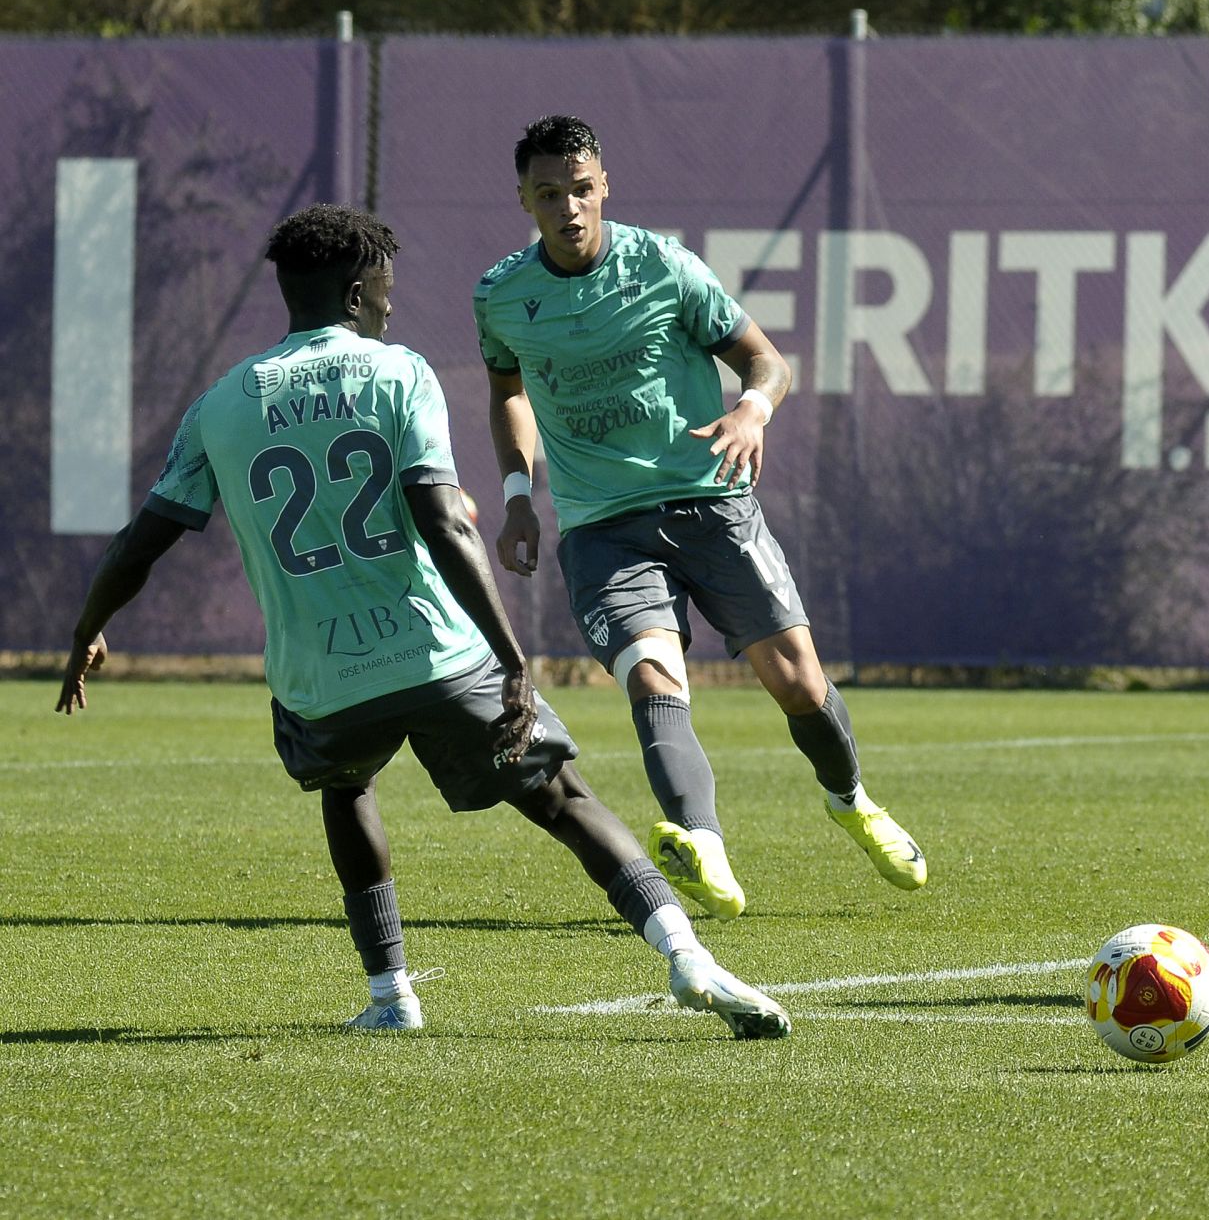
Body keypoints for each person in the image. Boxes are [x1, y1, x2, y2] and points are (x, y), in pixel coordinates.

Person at [55, 203, 789, 1039]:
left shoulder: (219, 406)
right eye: (386, 291)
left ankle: (390, 994)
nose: (391, 305)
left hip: (320, 680)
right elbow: (444, 520)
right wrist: (512, 658)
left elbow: (140, 543)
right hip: (439, 655)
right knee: (561, 798)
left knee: (346, 787)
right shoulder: (397, 372)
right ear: (357, 291)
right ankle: (688, 957)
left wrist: (86, 630)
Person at [473, 114, 925, 921]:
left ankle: (851, 800)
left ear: (604, 186)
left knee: (799, 683)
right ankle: (703, 846)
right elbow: (507, 391)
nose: (568, 207)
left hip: (711, 501)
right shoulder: (501, 296)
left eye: (581, 189)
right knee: (654, 676)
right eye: (549, 194)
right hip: (602, 529)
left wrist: (753, 410)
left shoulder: (664, 265)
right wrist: (516, 496)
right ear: (523, 200)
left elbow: (766, 361)